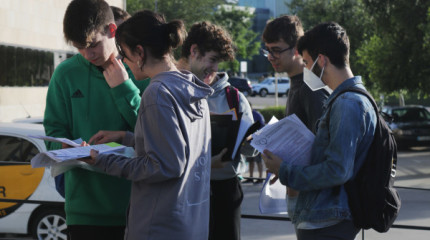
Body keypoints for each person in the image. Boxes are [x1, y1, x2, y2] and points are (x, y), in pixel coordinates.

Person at [82, 10, 213, 239]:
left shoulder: (157, 93)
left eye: (124, 52)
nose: (122, 60)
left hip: (159, 226)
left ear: (140, 52)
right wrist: (127, 137)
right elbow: (181, 147)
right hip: (191, 223)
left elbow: (164, 165)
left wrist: (102, 160)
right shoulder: (192, 87)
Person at [43, 0, 148, 239]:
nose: (88, 54)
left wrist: (124, 89)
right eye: (80, 47)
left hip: (137, 209)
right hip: (83, 213)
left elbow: (154, 134)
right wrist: (63, 147)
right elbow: (52, 132)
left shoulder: (141, 70)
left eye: (93, 45)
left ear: (112, 30)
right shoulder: (65, 74)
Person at [262, 22, 377, 240]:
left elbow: (337, 170)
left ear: (321, 60)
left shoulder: (347, 103)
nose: (306, 70)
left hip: (327, 219)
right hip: (326, 216)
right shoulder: (350, 98)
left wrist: (286, 170)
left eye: (306, 62)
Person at [177, 21, 254, 240]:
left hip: (225, 191)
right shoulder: (172, 93)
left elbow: (250, 151)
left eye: (217, 62)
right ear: (193, 52)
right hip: (187, 191)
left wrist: (251, 143)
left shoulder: (235, 99)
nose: (214, 68)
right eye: (211, 59)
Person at [262, 15, 329, 223]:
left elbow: (325, 149)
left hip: (314, 204)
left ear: (297, 49)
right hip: (301, 196)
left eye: (276, 50)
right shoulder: (297, 84)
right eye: (268, 50)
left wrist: (287, 169)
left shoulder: (311, 88)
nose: (271, 56)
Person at [243, 108, 265, 184]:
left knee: (258, 160)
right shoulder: (246, 114)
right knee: (250, 160)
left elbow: (262, 127)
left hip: (256, 142)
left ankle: (260, 178)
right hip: (248, 142)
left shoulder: (257, 115)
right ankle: (251, 177)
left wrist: (255, 136)